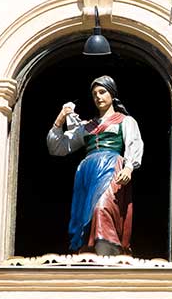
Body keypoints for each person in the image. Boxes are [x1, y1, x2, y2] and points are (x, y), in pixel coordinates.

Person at [47, 75, 144, 256]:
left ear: (112, 94)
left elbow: (134, 144)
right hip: (87, 173)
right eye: (94, 94)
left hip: (111, 169)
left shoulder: (125, 121)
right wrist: (60, 119)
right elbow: (57, 148)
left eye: (102, 92)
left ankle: (108, 250)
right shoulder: (86, 127)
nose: (98, 97)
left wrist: (129, 167)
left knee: (103, 206)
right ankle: (90, 251)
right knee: (87, 214)